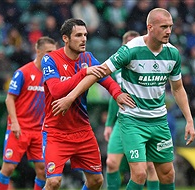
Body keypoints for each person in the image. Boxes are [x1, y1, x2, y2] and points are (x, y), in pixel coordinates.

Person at [51, 8, 195, 190]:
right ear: (150, 27)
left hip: (159, 121)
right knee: (140, 173)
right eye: (164, 27)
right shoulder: (131, 50)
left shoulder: (173, 54)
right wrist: (71, 97)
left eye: (170, 27)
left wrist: (189, 120)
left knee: (167, 173)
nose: (168, 31)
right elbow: (99, 72)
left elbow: (178, 88)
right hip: (133, 121)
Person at [40, 18, 134, 190]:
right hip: (56, 132)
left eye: (85, 35)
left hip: (82, 132)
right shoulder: (50, 59)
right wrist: (83, 73)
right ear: (65, 38)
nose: (83, 39)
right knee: (53, 182)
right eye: (78, 35)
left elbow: (107, 79)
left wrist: (117, 94)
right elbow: (56, 91)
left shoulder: (88, 58)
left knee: (96, 181)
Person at [0, 36, 57, 190]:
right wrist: (14, 122)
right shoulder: (23, 72)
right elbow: (9, 99)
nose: (52, 55)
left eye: (54, 52)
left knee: (42, 171)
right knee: (8, 168)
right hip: (19, 128)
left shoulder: (52, 75)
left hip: (39, 131)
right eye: (48, 51)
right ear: (38, 51)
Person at [104, 30, 159, 190]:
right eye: (129, 43)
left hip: (145, 120)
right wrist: (109, 123)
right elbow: (115, 98)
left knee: (149, 167)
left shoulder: (150, 66)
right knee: (111, 163)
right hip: (123, 121)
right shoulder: (118, 71)